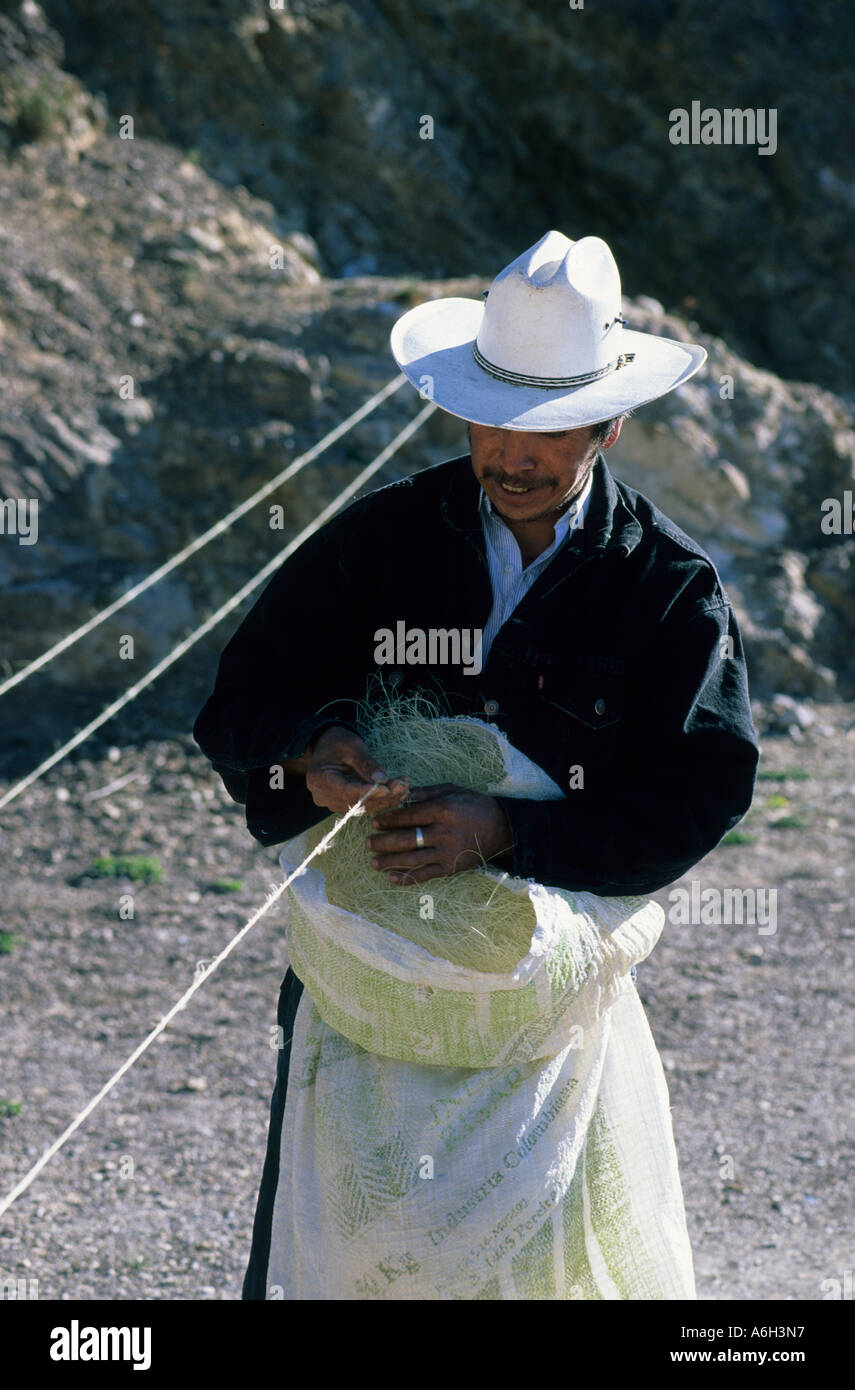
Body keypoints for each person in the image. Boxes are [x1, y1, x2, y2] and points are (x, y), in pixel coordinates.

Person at [193, 230, 759, 1299]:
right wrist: (311, 748)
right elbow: (236, 700)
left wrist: (511, 833)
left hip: (545, 1022)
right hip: (368, 994)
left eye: (547, 431)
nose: (513, 455)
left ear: (610, 421)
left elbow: (700, 789)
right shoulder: (382, 540)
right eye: (492, 422)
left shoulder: (668, 592)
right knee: (347, 1257)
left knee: (543, 1273)